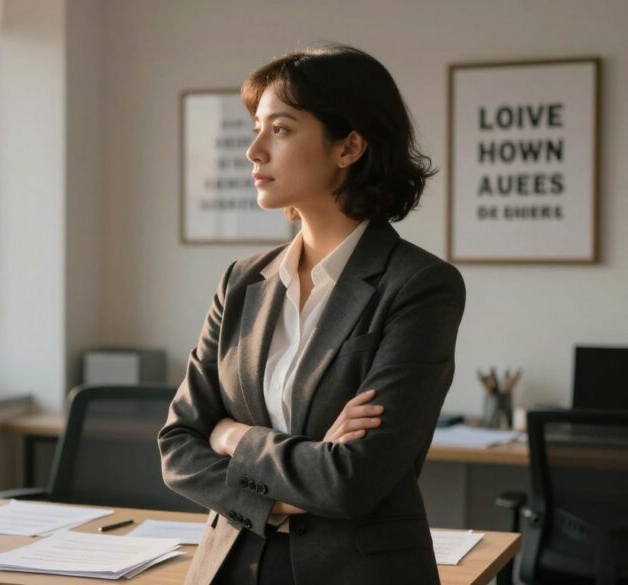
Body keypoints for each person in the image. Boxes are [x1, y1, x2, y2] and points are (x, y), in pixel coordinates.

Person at [158, 44, 466, 585]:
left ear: (349, 147)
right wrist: (294, 485)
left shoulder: (419, 286)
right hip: (229, 567)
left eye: (280, 129)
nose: (254, 151)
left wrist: (232, 437)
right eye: (257, 128)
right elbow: (179, 447)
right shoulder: (241, 281)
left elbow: (350, 481)